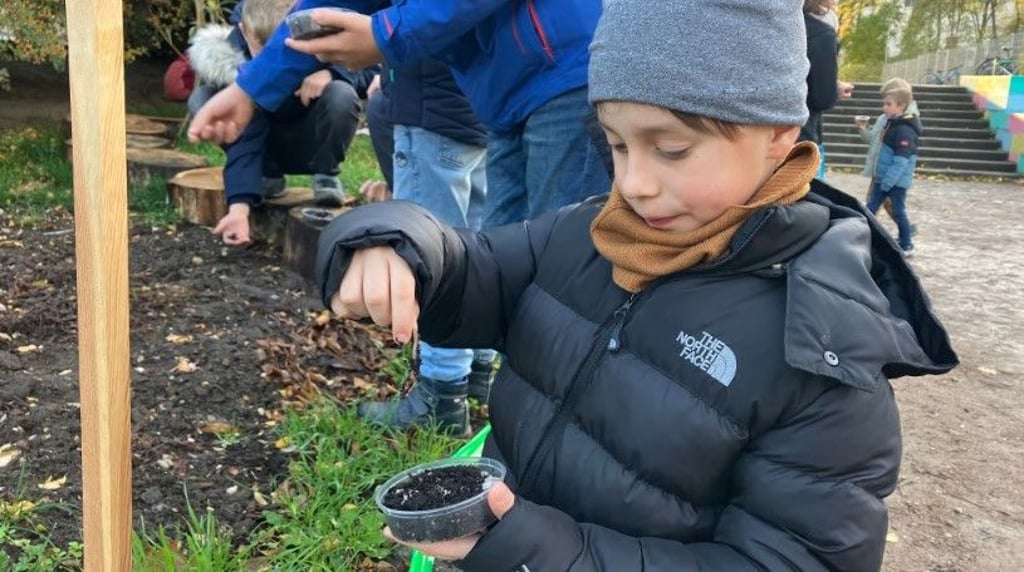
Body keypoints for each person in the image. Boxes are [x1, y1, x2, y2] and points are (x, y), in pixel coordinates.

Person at [314, 0, 958, 568]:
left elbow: (791, 559)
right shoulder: (585, 234)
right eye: (617, 146)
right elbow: (468, 267)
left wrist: (534, 550)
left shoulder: (820, 349)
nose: (633, 184)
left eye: (671, 150)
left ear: (778, 136)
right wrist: (391, 242)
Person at [186, 0, 611, 230]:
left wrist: (385, 33)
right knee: (510, 263)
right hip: (503, 99)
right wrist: (250, 86)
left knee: (563, 268)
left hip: (564, 73)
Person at [356, 57, 496, 433]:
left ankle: (443, 394)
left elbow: (407, 28)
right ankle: (478, 374)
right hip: (473, 111)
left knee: (429, 256)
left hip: (430, 109)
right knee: (475, 249)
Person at [186, 0, 375, 246]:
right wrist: (239, 206)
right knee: (203, 98)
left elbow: (372, 66)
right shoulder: (233, 57)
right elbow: (245, 134)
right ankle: (267, 175)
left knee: (341, 93)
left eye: (286, 48)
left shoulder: (316, 21)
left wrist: (332, 73)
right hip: (265, 142)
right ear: (244, 31)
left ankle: (326, 174)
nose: (275, 58)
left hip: (309, 138)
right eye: (264, 49)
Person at [857, 77, 922, 237]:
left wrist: (890, 177)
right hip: (879, 168)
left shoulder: (905, 123)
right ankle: (904, 230)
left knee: (880, 204)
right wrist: (863, 129)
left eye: (888, 101)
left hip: (890, 171)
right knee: (880, 204)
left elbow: (902, 155)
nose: (884, 105)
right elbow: (872, 140)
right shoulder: (883, 119)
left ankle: (901, 231)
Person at [799, 0, 839, 180]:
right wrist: (834, 88)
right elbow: (823, 98)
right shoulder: (820, 33)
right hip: (801, 134)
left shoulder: (758, 23)